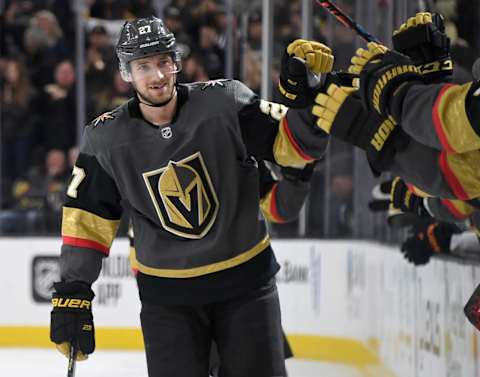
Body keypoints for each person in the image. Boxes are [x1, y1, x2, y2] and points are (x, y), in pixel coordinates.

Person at [49, 16, 333, 377]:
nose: (157, 75)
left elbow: (294, 149)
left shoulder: (225, 102)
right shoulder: (105, 139)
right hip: (167, 303)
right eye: (143, 66)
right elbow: (87, 223)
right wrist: (73, 293)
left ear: (177, 62)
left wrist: (307, 99)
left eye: (164, 62)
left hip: (246, 286)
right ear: (126, 73)